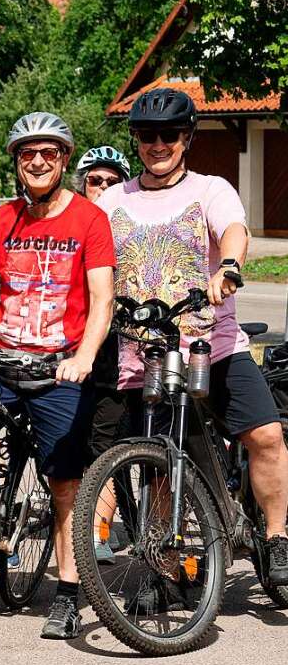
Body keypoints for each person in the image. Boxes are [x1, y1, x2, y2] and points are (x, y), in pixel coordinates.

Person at [96, 88, 288, 589]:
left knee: (266, 435)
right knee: (160, 462)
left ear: (187, 137)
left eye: (168, 134)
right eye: (146, 135)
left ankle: (275, 537)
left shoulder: (210, 189)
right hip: (143, 354)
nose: (157, 144)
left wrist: (228, 266)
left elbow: (234, 230)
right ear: (135, 140)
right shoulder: (112, 199)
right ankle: (164, 560)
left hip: (212, 344)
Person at [0, 112, 115, 640]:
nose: (37, 162)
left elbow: (102, 298)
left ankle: (67, 592)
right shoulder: (4, 218)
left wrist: (82, 357)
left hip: (58, 363)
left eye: (49, 153)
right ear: (16, 161)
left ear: (63, 161)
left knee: (63, 482)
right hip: (6, 357)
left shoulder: (88, 219)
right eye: (27, 154)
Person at [72, 146, 132, 564]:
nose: (104, 188)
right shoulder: (70, 223)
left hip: (117, 352)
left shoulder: (129, 228)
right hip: (68, 347)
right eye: (96, 181)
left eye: (113, 182)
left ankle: (98, 533)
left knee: (103, 443)